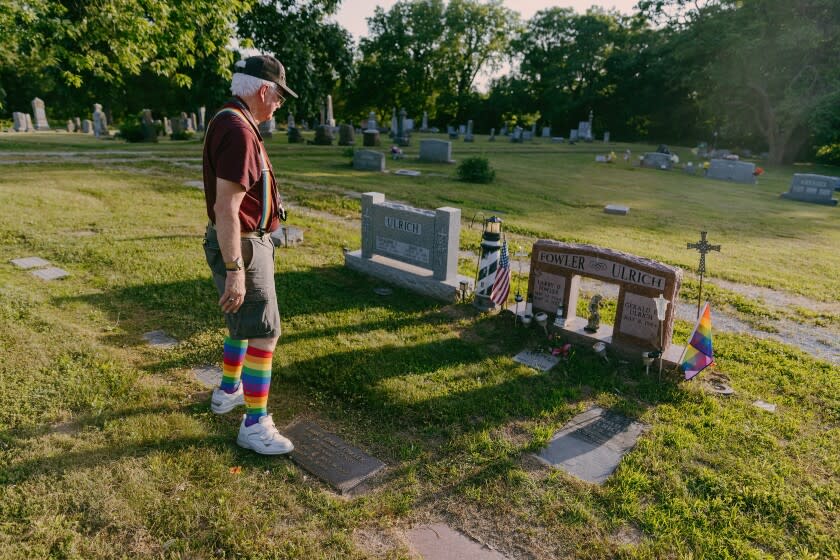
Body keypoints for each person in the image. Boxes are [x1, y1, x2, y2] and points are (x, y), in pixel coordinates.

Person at [202, 55, 297, 455]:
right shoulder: (239, 130)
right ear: (263, 89)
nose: (278, 105)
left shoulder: (229, 118)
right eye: (278, 97)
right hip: (242, 243)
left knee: (243, 322)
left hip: (243, 239)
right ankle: (255, 424)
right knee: (264, 332)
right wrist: (236, 269)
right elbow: (227, 207)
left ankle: (228, 391)